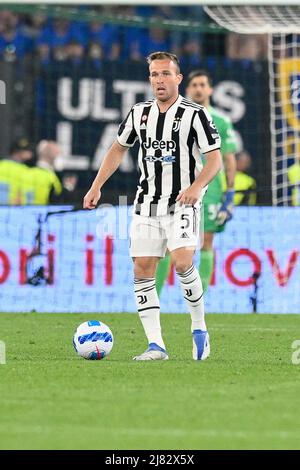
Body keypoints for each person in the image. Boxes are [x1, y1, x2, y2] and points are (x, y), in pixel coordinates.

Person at [83, 52, 222, 361]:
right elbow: (118, 149)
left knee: (183, 261)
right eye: (154, 75)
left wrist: (197, 187)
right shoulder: (139, 113)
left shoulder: (195, 114)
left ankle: (199, 328)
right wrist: (96, 186)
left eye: (165, 74)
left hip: (182, 203)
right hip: (146, 204)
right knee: (142, 269)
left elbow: (215, 159)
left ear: (178, 78)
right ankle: (155, 345)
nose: (159, 80)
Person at [156, 69, 237, 295]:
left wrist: (230, 193)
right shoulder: (175, 117)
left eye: (203, 84)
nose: (199, 89)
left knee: (206, 241)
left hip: (211, 190)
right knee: (168, 244)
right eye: (195, 85)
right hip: (179, 187)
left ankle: (199, 300)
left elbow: (229, 158)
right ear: (188, 89)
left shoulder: (221, 121)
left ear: (210, 90)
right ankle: (156, 299)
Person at [24, 140, 62, 204]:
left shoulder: (27, 172)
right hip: (44, 211)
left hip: (26, 210)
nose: (58, 153)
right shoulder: (52, 178)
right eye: (56, 151)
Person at [0, 137, 33, 205]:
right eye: (27, 150)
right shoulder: (25, 170)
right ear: (18, 152)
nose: (30, 152)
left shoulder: (1, 164)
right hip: (17, 209)